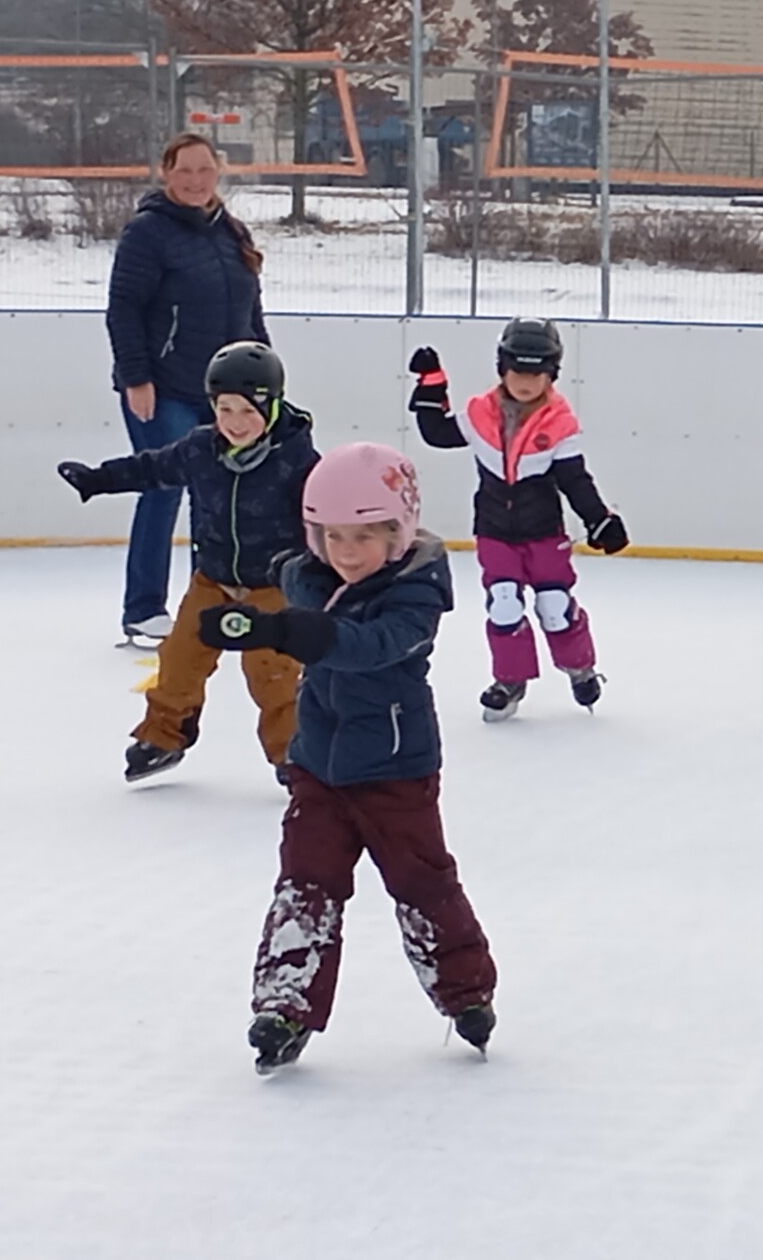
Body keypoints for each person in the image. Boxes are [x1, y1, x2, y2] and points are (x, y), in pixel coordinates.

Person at [197, 443, 498, 1073]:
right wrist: (246, 623)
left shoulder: (416, 595)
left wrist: (292, 632)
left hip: (395, 771)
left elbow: (372, 645)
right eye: (332, 536)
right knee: (304, 885)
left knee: (422, 883)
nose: (346, 552)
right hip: (317, 769)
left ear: (399, 531)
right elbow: (274, 587)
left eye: (364, 536)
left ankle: (466, 991)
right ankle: (284, 1005)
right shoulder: (304, 576)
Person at [57, 341, 320, 784]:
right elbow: (151, 468)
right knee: (180, 660)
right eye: (225, 409)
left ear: (272, 405)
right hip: (212, 580)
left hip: (273, 586)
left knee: (272, 673)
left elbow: (329, 515)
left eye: (247, 410)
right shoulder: (201, 449)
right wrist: (99, 479)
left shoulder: (298, 461)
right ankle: (163, 738)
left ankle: (294, 754)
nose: (235, 422)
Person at [409, 318, 629, 722]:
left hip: (543, 532)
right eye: (518, 371)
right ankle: (510, 681)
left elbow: (574, 479)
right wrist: (430, 382)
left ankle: (579, 667)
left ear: (552, 374)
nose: (526, 382)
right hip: (495, 531)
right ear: (502, 368)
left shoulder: (560, 424)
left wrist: (600, 520)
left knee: (554, 605)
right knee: (504, 603)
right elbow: (437, 432)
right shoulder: (479, 414)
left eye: (537, 373)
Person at [103, 132, 268, 648]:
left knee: (218, 497)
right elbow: (123, 308)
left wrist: (264, 379)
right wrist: (136, 377)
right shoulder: (148, 232)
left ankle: (212, 602)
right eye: (184, 171)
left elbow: (251, 312)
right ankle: (143, 609)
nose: (195, 181)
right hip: (164, 389)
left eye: (204, 170)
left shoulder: (230, 231)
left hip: (226, 396)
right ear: (167, 174)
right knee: (163, 488)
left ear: (218, 172)